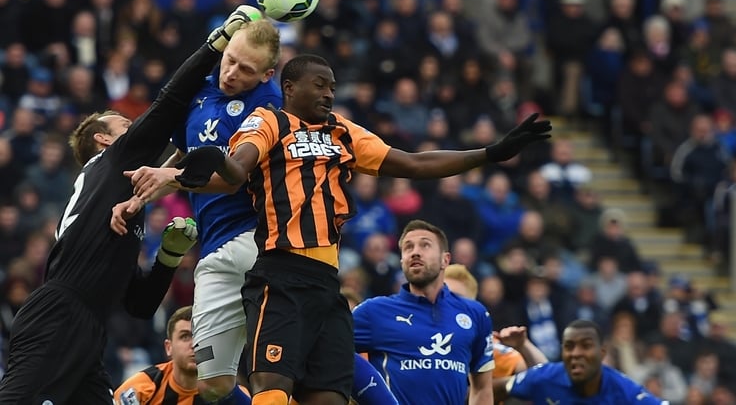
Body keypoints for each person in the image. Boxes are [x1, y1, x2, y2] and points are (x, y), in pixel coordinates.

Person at [125, 55, 552, 405]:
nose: (329, 92)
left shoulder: (342, 132)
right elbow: (237, 170)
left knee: (328, 398)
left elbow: (415, 163)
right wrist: (208, 161)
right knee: (272, 392)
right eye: (320, 84)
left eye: (332, 86)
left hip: (327, 287)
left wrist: (491, 153)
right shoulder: (268, 121)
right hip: (279, 276)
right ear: (289, 88)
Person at [0, 5, 261, 403]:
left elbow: (138, 304)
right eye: (124, 126)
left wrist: (169, 257)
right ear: (105, 140)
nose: (134, 130)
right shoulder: (112, 162)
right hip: (58, 316)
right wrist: (216, 45)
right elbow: (169, 102)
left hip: (86, 325)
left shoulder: (112, 195)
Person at [111, 16, 282, 405]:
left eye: (247, 69)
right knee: (212, 380)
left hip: (257, 240)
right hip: (216, 250)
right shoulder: (201, 92)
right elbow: (184, 155)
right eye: (231, 60)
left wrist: (169, 177)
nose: (232, 73)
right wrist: (142, 195)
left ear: (267, 74)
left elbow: (235, 176)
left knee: (279, 365)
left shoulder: (267, 105)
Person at [352, 220, 495, 405]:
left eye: (425, 245)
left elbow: (482, 387)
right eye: (408, 247)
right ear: (402, 260)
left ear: (446, 260)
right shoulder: (373, 312)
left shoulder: (475, 314)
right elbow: (330, 350)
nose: (415, 252)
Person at [443, 264, 548, 405]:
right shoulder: (412, 339)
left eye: (458, 299)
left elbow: (546, 377)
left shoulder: (484, 345)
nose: (448, 303)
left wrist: (524, 346)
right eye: (442, 295)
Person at [494, 320, 668, 404]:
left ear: (601, 353)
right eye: (569, 346)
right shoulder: (544, 378)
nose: (576, 353)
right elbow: (492, 389)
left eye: (586, 346)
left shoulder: (625, 393)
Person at [115, 306, 203, 404]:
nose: (194, 344)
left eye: (200, 336)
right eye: (185, 336)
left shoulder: (221, 394)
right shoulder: (140, 388)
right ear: (169, 347)